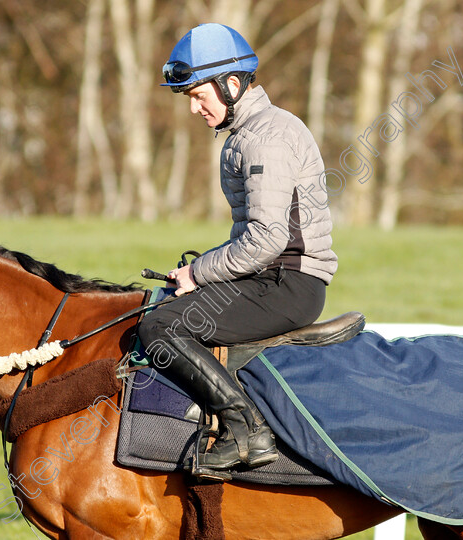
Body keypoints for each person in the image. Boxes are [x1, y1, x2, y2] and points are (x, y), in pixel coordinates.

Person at [137, 23, 337, 478]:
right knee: (166, 303)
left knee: (162, 327)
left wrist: (199, 274)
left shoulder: (266, 137)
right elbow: (251, 236)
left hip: (288, 285)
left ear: (231, 84)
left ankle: (246, 430)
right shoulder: (250, 133)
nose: (193, 108)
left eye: (197, 94)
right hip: (271, 277)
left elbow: (266, 240)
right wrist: (194, 270)